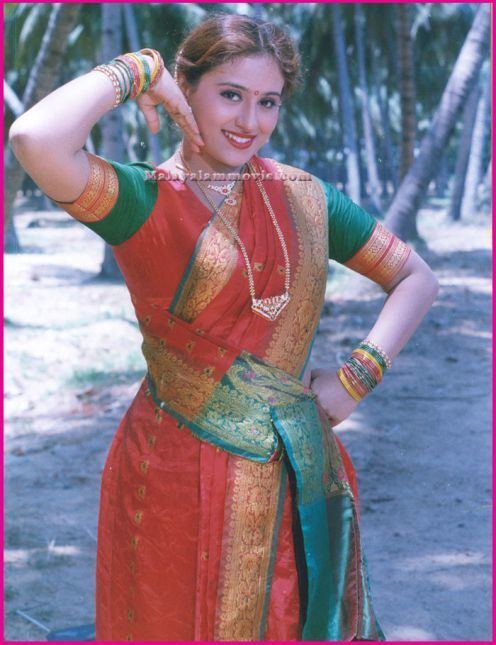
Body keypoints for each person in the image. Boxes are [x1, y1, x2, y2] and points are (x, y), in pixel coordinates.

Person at [9, 13, 438, 642]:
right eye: (230, 95)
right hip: (171, 471)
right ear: (187, 86)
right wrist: (140, 70)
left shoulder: (306, 198)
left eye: (269, 102)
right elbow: (34, 138)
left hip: (291, 471)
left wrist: (355, 378)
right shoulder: (144, 199)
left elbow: (417, 278)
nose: (249, 122)